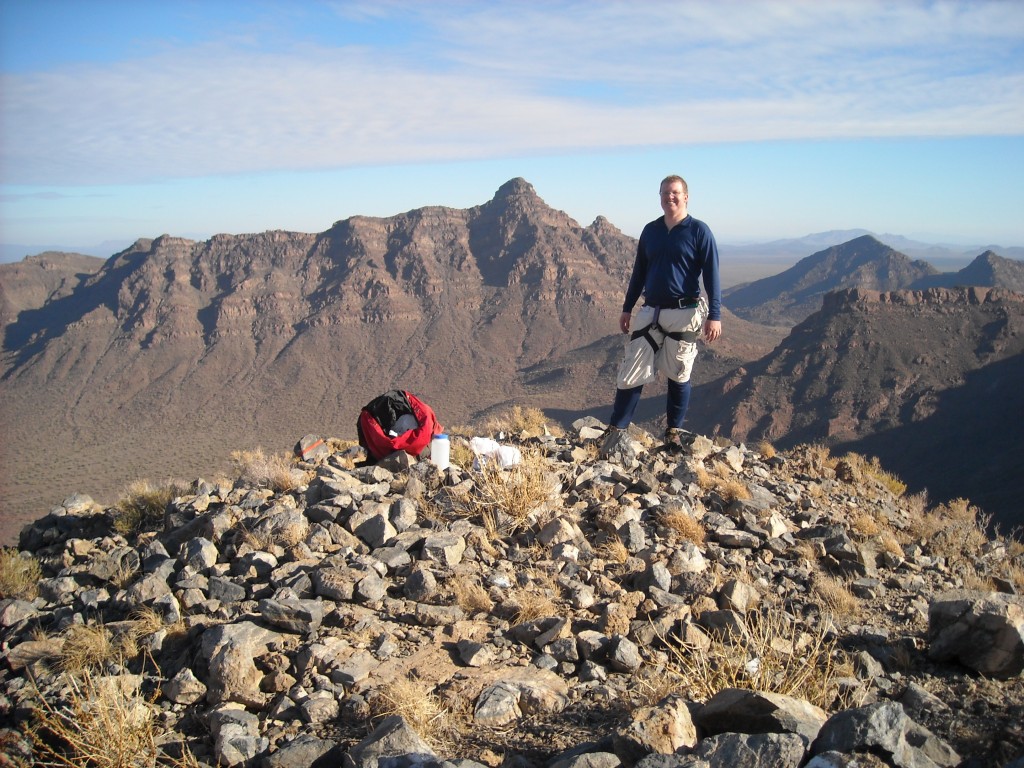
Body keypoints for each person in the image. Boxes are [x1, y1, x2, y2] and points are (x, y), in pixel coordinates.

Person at [604, 174, 722, 450]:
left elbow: (712, 276)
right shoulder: (651, 231)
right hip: (650, 310)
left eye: (675, 193)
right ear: (659, 197)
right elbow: (639, 273)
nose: (670, 197)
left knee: (679, 372)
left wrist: (714, 315)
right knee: (631, 369)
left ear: (686, 196)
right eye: (665, 193)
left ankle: (673, 432)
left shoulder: (699, 231)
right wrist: (627, 308)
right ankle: (616, 430)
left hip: (685, 311)